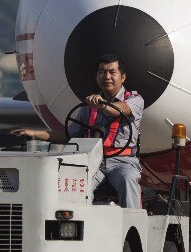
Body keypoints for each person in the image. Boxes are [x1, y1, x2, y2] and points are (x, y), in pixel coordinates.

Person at [13, 54, 144, 208]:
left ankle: (133, 223)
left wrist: (102, 105)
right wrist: (35, 134)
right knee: (75, 184)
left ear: (123, 77)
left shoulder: (135, 100)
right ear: (97, 76)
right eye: (102, 72)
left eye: (112, 72)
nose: (107, 77)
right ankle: (75, 223)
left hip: (123, 162)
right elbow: (69, 134)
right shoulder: (88, 107)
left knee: (127, 179)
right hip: (94, 161)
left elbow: (122, 110)